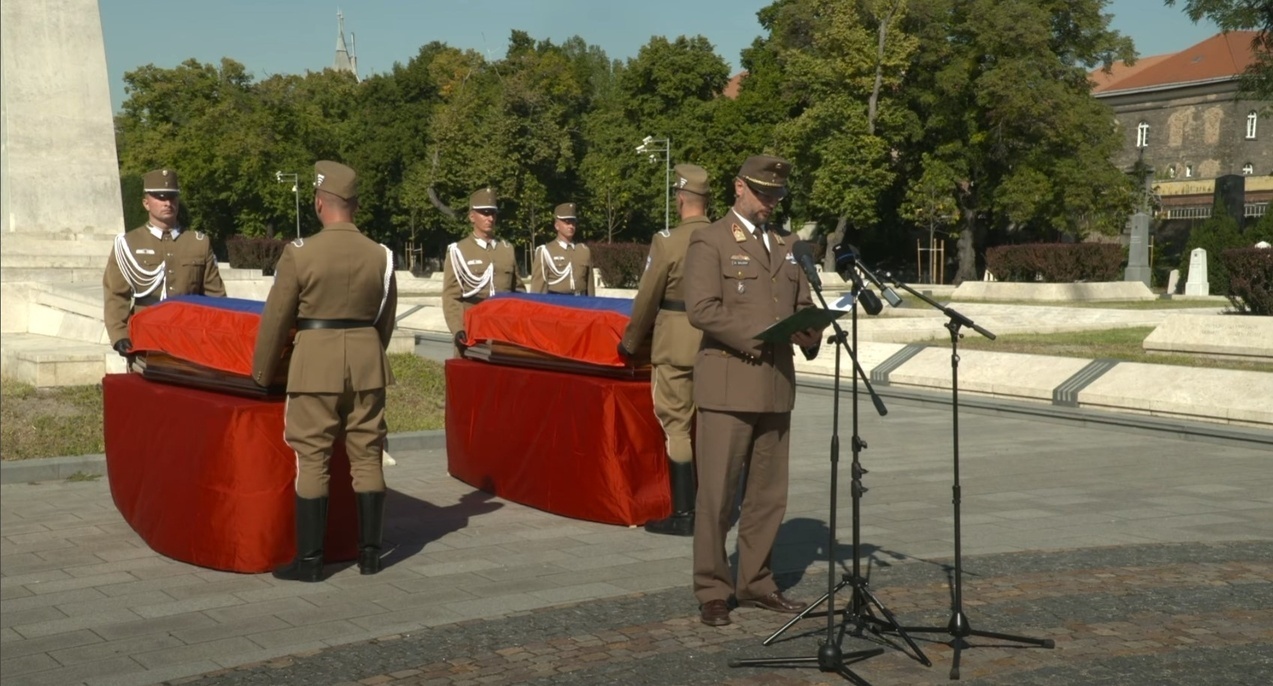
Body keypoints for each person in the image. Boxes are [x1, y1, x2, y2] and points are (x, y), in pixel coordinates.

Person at [682, 154, 825, 626]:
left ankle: (757, 582)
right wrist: (760, 335)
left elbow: (800, 300)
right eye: (763, 193)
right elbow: (702, 308)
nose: (770, 202)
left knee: (768, 496)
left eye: (777, 194)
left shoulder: (789, 244)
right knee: (718, 495)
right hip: (729, 382)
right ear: (739, 187)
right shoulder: (712, 239)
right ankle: (712, 589)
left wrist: (810, 331)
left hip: (776, 385)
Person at [252, 161, 398, 582]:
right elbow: (385, 319)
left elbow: (277, 319)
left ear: (319, 202)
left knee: (313, 457)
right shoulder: (382, 255)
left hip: (315, 363)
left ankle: (311, 562)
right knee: (367, 454)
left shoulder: (300, 252)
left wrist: (262, 373)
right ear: (355, 205)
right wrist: (368, 353)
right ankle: (370, 557)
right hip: (368, 362)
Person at [619, 164, 712, 537]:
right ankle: (712, 508)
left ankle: (685, 513)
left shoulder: (668, 241)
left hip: (674, 345)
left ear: (680, 198)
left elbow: (647, 300)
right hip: (715, 344)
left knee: (676, 425)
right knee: (710, 427)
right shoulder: (724, 238)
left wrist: (630, 342)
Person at [103, 168, 226, 355]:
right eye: (160, 198)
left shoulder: (198, 243)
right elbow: (116, 295)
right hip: (145, 338)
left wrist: (219, 333)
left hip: (190, 337)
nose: (168, 203)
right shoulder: (128, 244)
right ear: (146, 203)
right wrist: (119, 335)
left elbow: (215, 296)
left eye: (172, 197)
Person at [442, 187, 525, 352]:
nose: (490, 218)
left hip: (503, 332)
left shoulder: (506, 249)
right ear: (472, 216)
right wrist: (458, 329)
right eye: (485, 213)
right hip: (472, 331)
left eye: (493, 213)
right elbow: (451, 297)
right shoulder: (459, 251)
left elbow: (519, 293)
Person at [530, 202, 594, 296]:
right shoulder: (545, 252)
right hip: (557, 302)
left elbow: (590, 288)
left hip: (581, 301)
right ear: (557, 225)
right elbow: (538, 289)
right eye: (567, 222)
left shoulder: (583, 250)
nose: (571, 226)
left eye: (573, 222)